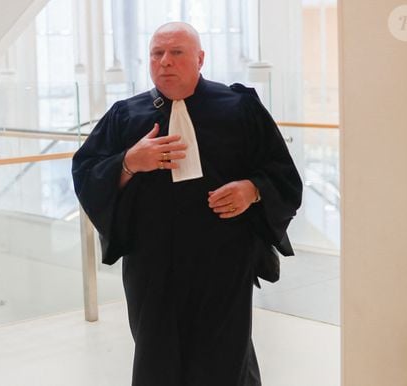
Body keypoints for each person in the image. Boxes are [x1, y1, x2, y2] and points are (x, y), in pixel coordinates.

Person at [72, 21, 302, 386]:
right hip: (152, 265)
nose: (165, 62)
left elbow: (283, 174)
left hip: (223, 261)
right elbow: (86, 173)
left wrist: (252, 189)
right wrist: (130, 161)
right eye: (156, 53)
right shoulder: (125, 115)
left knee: (224, 357)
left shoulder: (240, 108)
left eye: (176, 53)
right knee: (156, 358)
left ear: (200, 58)